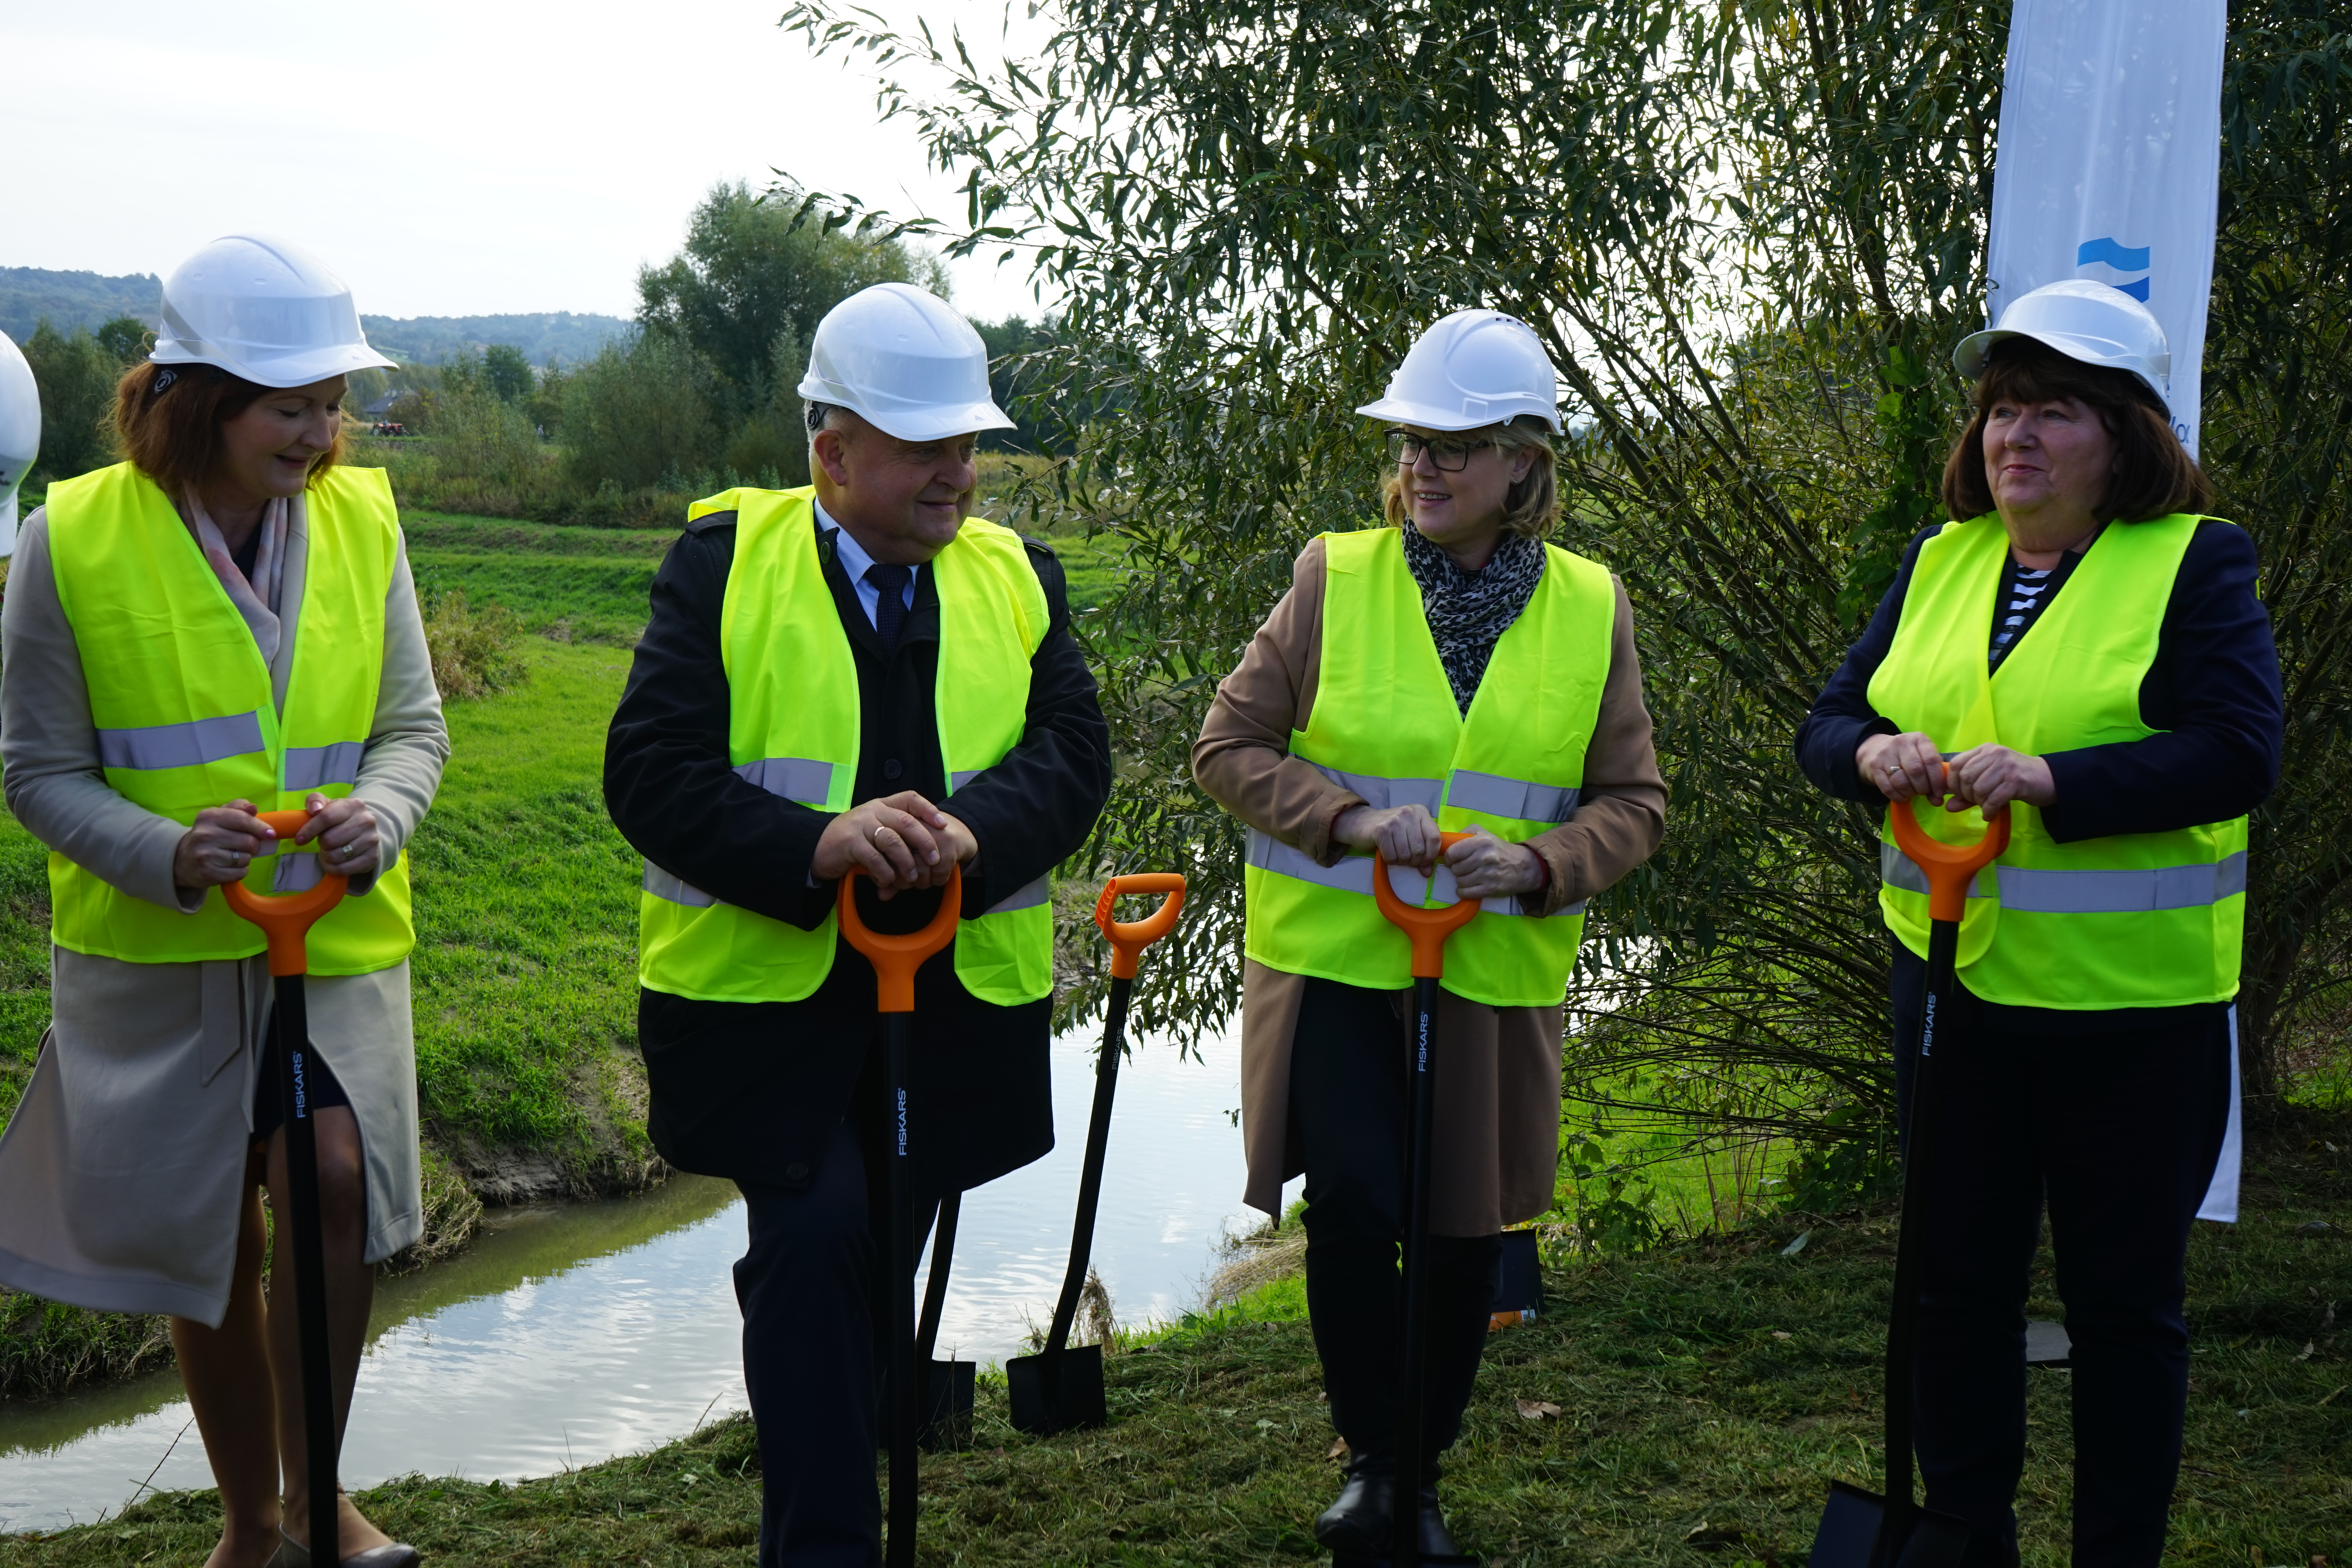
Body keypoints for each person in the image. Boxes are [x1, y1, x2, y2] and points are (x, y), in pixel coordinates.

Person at [603, 281, 1112, 1565]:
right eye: (926, 445)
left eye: (969, 445)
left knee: (869, 1259)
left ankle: (832, 1482)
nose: (959, 473)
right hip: (764, 1017)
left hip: (947, 1013)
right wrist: (813, 847)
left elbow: (1073, 754)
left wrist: (975, 831)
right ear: (833, 451)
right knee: (817, 1235)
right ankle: (825, 1545)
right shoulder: (723, 566)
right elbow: (650, 770)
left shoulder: (1016, 577)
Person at [1793, 279, 2283, 1568]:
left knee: (2123, 1307)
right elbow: (1826, 721)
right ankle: (1964, 1535)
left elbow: (2239, 755)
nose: (2015, 436)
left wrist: (2056, 783)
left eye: (2052, 411)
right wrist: (1872, 757)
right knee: (1956, 1286)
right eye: (2004, 410)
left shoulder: (2194, 563)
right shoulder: (1941, 560)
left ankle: (2115, 1550)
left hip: (2133, 1012)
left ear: (2124, 436)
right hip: (1952, 988)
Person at [0, 235, 447, 1568]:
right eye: (285, 404)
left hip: (337, 940)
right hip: (162, 955)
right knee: (207, 1227)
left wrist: (387, 812)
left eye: (328, 403)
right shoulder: (66, 539)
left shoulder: (368, 521)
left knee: (327, 1180)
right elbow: (37, 770)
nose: (317, 433)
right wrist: (162, 852)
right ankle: (251, 1521)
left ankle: (323, 1503)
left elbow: (412, 727)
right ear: (193, 397)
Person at [1193, 309, 1666, 1554]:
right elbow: (1225, 750)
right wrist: (1346, 821)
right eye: (1413, 444)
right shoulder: (1331, 577)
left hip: (1491, 974)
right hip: (1337, 965)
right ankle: (1370, 1461)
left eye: (1458, 445)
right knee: (1352, 1208)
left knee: (1464, 1231)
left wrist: (1544, 862)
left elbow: (1635, 803)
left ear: (1524, 460)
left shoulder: (1590, 607)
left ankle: (1422, 1465)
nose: (1427, 468)